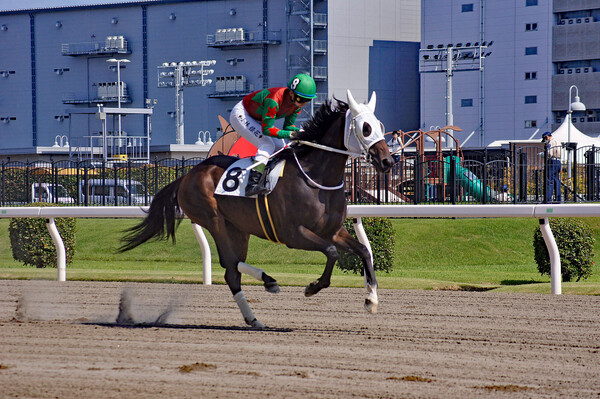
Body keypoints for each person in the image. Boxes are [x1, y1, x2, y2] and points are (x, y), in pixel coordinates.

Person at [229, 73, 316, 196]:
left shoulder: (296, 106)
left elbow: (288, 127)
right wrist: (290, 133)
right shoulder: (274, 100)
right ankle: (252, 184)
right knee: (267, 144)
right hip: (242, 114)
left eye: (307, 100)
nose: (303, 103)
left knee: (282, 148)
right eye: (300, 99)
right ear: (291, 93)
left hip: (258, 118)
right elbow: (267, 130)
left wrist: (299, 133)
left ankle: (271, 179)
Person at [542, 131, 562, 203]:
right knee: (557, 180)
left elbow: (549, 153)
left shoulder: (550, 143)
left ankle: (548, 199)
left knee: (549, 180)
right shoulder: (558, 141)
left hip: (552, 162)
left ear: (547, 137)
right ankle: (558, 198)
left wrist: (543, 155)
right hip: (558, 161)